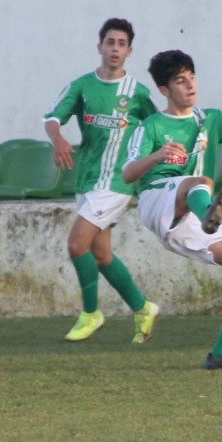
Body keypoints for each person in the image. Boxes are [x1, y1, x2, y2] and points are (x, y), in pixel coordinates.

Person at [122, 49, 222, 369]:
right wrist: (159, 156)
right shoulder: (149, 126)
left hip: (194, 217)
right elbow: (128, 173)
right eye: (180, 80)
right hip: (156, 200)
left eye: (192, 77)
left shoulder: (210, 120)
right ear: (165, 90)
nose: (190, 85)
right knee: (198, 180)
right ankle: (208, 210)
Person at [43, 17, 161, 343]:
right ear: (100, 47)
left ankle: (91, 312)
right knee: (101, 255)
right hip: (88, 179)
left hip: (118, 181)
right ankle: (142, 308)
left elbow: (156, 128)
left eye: (121, 44)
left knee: (76, 244)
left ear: (129, 51)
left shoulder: (137, 93)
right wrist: (58, 139)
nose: (115, 49)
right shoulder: (81, 86)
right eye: (110, 42)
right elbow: (53, 117)